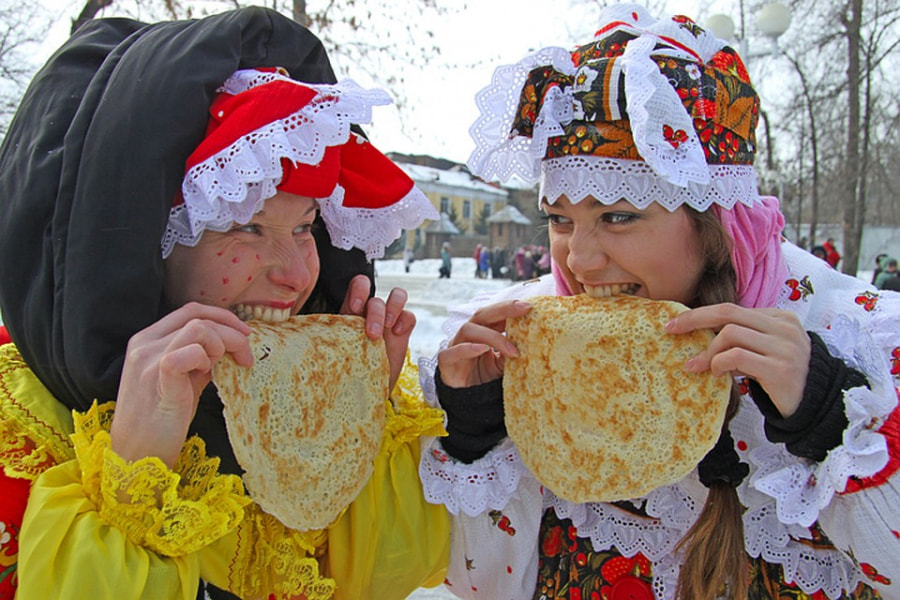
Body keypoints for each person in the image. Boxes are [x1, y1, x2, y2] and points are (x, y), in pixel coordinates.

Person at [417, 5, 900, 600]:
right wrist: (475, 431)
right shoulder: (522, 351)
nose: (579, 259)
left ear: (715, 220)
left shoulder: (859, 345)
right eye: (559, 219)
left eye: (618, 215)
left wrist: (829, 417)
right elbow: (480, 585)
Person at [0, 9, 449, 600]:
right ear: (134, 247)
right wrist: (133, 482)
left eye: (307, 226)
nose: (295, 275)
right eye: (247, 228)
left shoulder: (284, 401)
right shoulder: (21, 435)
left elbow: (391, 576)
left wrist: (355, 427)